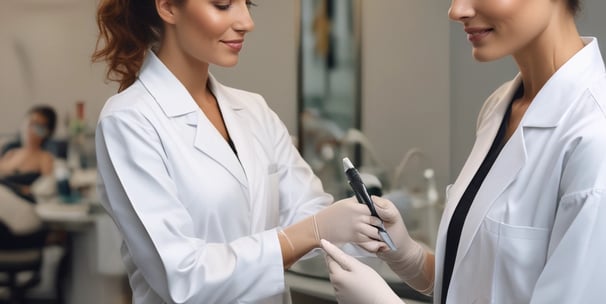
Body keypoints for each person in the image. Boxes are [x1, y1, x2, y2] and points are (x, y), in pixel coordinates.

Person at [92, 1, 381, 303]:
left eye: (247, 3)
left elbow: (310, 212)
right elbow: (183, 277)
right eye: (223, 4)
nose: (246, 22)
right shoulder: (129, 120)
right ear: (168, 8)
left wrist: (372, 230)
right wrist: (309, 232)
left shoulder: (254, 110)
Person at [321, 0, 606, 303]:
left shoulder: (593, 133)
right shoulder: (499, 106)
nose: (456, 11)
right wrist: (409, 256)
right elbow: (477, 284)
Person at [0, 105, 57, 235]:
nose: (31, 130)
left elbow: (47, 189)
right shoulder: (11, 153)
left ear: (47, 132)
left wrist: (24, 189)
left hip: (21, 206)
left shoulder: (44, 158)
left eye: (38, 126)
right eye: (29, 123)